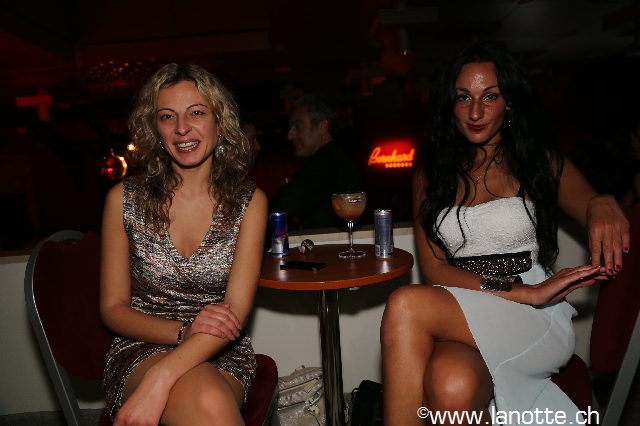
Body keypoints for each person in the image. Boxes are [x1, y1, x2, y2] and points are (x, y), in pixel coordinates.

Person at [380, 43, 630, 425]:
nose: (475, 112)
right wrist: (519, 292)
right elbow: (435, 269)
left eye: (490, 96)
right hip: (473, 302)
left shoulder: (537, 160)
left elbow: (592, 203)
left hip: (534, 314)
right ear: (450, 104)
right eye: (463, 97)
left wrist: (603, 201)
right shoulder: (429, 176)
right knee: (451, 385)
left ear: (509, 102)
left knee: (405, 303)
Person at [100, 63, 267, 426]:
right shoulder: (123, 200)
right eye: (167, 116)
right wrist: (182, 332)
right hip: (141, 345)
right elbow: (112, 309)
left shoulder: (249, 202)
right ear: (155, 129)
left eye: (196, 112)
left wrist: (161, 377)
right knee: (209, 402)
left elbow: (235, 312)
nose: (181, 128)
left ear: (219, 123)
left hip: (220, 348)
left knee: (208, 400)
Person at [269, 94, 363, 230]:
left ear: (322, 127)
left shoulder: (327, 163)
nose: (290, 135)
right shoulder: (334, 158)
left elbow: (287, 204)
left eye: (297, 126)